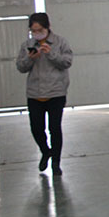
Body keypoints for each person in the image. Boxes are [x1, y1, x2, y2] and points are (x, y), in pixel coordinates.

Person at [16, 13, 73, 176]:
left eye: (39, 30)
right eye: (33, 31)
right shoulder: (27, 45)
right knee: (36, 128)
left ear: (47, 27)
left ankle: (56, 162)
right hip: (35, 94)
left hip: (56, 92)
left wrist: (51, 54)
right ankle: (45, 151)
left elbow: (67, 62)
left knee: (54, 128)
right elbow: (20, 67)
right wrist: (30, 58)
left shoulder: (60, 42)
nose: (37, 33)